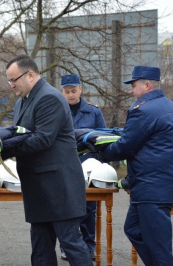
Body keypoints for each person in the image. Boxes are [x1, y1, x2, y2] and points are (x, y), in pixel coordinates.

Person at [2, 54, 93, 266]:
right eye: (9, 80)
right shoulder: (21, 102)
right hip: (39, 188)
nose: (11, 84)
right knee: (41, 249)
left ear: (30, 75)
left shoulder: (48, 97)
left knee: (71, 244)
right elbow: (19, 134)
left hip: (59, 187)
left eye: (14, 79)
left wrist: (2, 147)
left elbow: (42, 139)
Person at [100, 66, 173, 266]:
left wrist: (100, 152)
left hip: (152, 188)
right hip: (154, 186)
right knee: (134, 229)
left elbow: (125, 146)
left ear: (147, 85)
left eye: (134, 85)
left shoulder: (144, 110)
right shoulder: (171, 106)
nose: (131, 91)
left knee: (159, 247)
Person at [59, 73, 107, 261]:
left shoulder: (94, 112)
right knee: (66, 209)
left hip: (89, 167)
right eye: (67, 91)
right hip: (65, 166)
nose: (70, 94)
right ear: (61, 92)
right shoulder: (58, 110)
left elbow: (103, 139)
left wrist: (101, 167)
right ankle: (66, 247)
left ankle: (89, 245)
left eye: (73, 90)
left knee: (89, 209)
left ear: (80, 89)